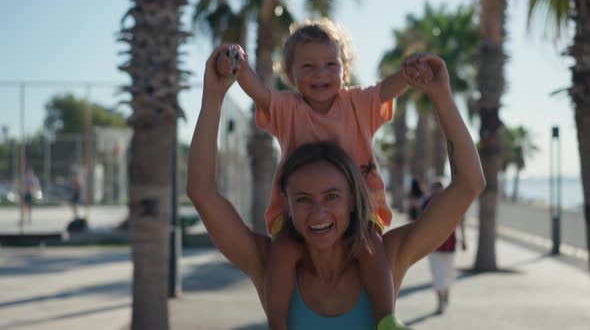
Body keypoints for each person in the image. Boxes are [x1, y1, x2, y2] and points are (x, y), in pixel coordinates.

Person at [187, 46, 485, 329]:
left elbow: (469, 185)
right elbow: (202, 194)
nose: (319, 212)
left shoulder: (387, 256)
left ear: (353, 201)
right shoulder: (269, 263)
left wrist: (441, 95)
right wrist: (213, 97)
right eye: (303, 199)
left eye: (331, 196)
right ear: (287, 205)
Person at [215, 18, 433, 329]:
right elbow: (260, 94)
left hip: (358, 207)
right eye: (308, 66)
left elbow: (387, 89)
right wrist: (237, 65)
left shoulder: (358, 103)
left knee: (370, 243)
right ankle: (277, 322)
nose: (321, 74)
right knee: (283, 251)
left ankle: (386, 319)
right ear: (290, 75)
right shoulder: (288, 109)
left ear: (345, 69)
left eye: (331, 64)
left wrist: (409, 73)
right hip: (298, 211)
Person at [422, 180, 467, 314]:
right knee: (437, 276)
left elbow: (461, 220)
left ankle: (445, 293)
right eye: (435, 190)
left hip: (450, 246)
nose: (437, 193)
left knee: (447, 274)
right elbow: (419, 225)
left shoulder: (453, 203)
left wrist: (464, 239)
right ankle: (440, 301)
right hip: (433, 247)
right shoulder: (426, 204)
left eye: (440, 190)